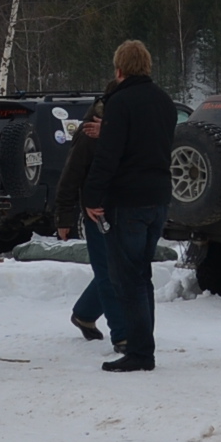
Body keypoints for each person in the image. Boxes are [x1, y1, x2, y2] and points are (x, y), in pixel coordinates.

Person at [80, 39, 175, 372]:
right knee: (142, 276)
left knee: (127, 279)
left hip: (127, 201)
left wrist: (92, 196)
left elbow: (109, 155)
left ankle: (139, 352)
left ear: (118, 69)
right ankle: (142, 346)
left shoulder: (119, 103)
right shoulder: (165, 101)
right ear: (147, 66)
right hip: (158, 198)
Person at [51, 98, 116, 346]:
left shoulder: (123, 131)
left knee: (116, 270)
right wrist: (64, 217)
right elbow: (71, 175)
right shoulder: (89, 132)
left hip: (123, 209)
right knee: (109, 271)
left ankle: (85, 313)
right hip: (97, 212)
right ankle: (120, 333)